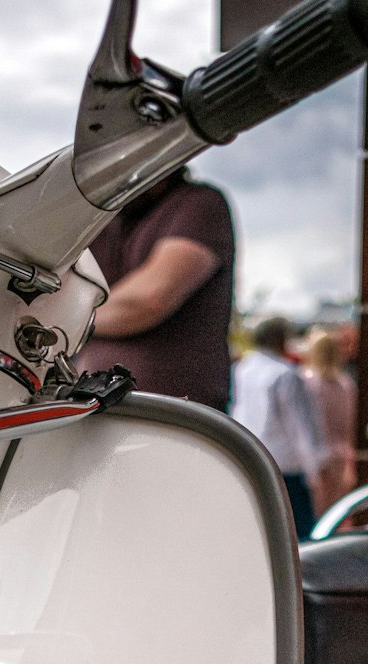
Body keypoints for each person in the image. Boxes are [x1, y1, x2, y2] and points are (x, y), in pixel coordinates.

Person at [78, 166, 235, 412]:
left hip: (172, 419)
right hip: (91, 413)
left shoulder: (199, 202)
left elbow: (149, 299)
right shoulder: (97, 218)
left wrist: (66, 319)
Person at [230, 316, 326, 541]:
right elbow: (298, 424)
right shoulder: (285, 373)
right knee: (298, 534)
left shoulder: (242, 368)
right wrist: (314, 468)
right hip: (284, 464)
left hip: (250, 457)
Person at [301, 326, 358, 511]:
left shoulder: (307, 382)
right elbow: (349, 425)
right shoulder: (346, 384)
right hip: (340, 454)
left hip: (314, 454)